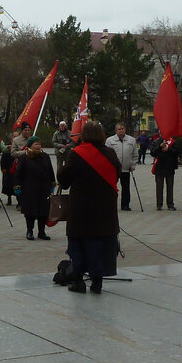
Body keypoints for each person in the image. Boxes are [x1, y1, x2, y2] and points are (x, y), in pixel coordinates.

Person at [57, 121, 120, 293]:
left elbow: (63, 179)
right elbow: (117, 174)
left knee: (79, 245)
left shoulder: (77, 153)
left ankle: (78, 281)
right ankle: (97, 282)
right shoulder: (110, 153)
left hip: (82, 209)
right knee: (100, 245)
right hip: (105, 210)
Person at [15, 136, 56, 240]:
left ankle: (42, 232)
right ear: (30, 146)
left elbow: (50, 171)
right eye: (36, 144)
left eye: (39, 144)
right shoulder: (24, 157)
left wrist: (52, 185)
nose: (38, 146)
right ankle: (29, 231)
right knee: (30, 211)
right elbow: (18, 174)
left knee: (43, 211)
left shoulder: (45, 156)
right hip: (29, 189)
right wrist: (17, 187)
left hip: (44, 188)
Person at [103, 122, 137, 211]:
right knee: (112, 188)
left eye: (123, 128)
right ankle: (111, 204)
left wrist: (133, 165)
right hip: (113, 169)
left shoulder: (131, 140)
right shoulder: (110, 140)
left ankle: (125, 205)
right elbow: (106, 155)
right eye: (119, 129)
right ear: (116, 130)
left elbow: (135, 155)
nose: (121, 130)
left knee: (126, 188)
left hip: (126, 168)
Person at [150, 132, 180, 211]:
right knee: (159, 187)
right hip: (159, 167)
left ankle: (170, 204)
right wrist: (160, 147)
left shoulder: (172, 142)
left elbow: (177, 152)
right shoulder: (156, 142)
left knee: (170, 187)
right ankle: (159, 204)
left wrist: (168, 149)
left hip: (170, 167)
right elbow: (152, 153)